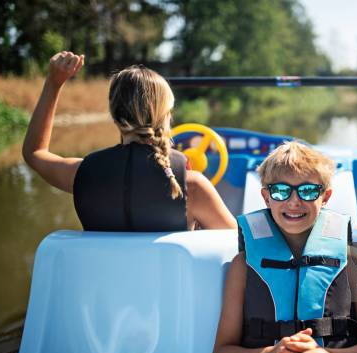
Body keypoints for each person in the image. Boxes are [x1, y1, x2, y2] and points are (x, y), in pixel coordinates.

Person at [211, 142, 357, 353]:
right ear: (266, 196)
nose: (294, 202)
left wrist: (318, 352)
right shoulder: (243, 266)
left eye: (308, 191)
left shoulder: (352, 261)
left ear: (325, 196)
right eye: (281, 191)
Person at [22, 51, 236, 231]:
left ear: (115, 116)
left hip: (105, 282)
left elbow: (34, 153)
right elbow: (239, 247)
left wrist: (54, 83)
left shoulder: (83, 176)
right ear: (166, 115)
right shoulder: (192, 186)